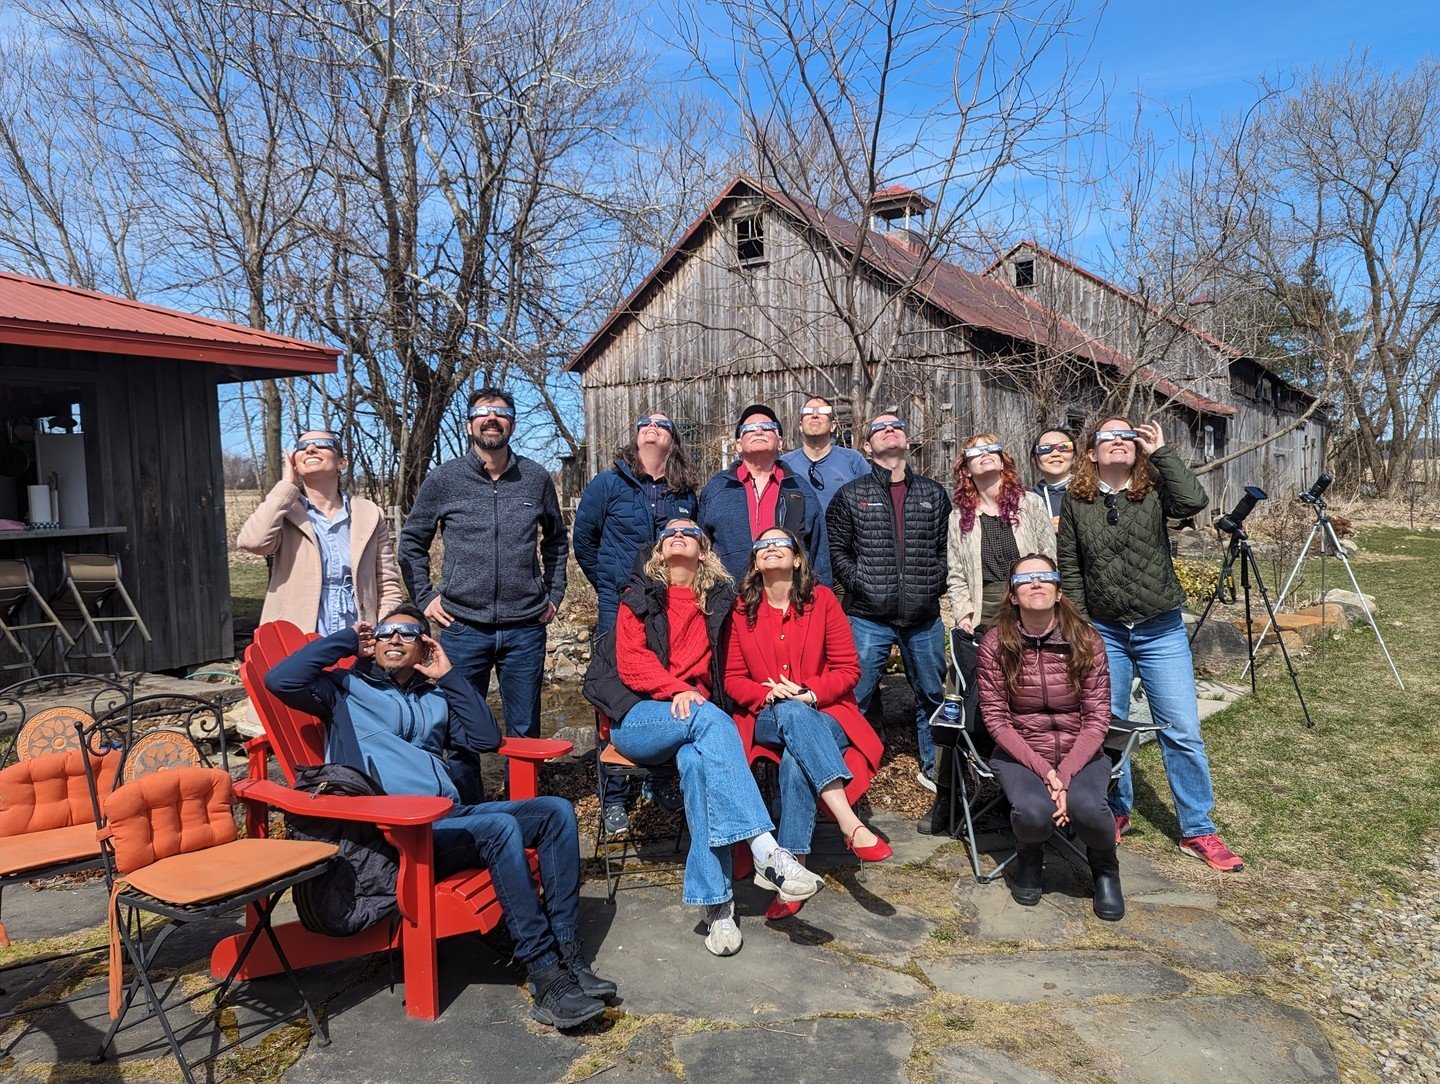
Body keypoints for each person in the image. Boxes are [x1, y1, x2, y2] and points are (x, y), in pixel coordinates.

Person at [265, 602, 615, 1030]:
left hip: (449, 818)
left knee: (555, 812)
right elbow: (279, 680)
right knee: (500, 826)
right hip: (395, 832)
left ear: (423, 646)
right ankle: (545, 976)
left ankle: (567, 954)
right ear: (372, 643)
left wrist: (447, 676)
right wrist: (344, 642)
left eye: (407, 634)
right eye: (386, 631)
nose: (395, 638)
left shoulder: (433, 697)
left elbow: (486, 737)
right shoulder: (342, 690)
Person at [583, 518, 825, 957]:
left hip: (696, 720)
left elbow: (742, 658)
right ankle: (766, 849)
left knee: (697, 764)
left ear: (704, 549)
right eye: (670, 531)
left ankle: (717, 908)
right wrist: (677, 690)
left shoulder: (720, 602)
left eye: (689, 531)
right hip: (639, 719)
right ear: (658, 550)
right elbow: (633, 666)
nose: (679, 534)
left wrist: (773, 686)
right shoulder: (636, 598)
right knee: (711, 719)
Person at [1057, 416, 1242, 872]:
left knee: (1181, 729)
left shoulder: (1154, 490)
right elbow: (1071, 568)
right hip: (1107, 633)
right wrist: (1082, 627)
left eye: (1127, 437)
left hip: (1161, 629)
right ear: (1092, 452)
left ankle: (1198, 828)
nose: (1118, 443)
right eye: (1108, 437)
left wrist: (1161, 452)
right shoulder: (1078, 501)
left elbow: (1193, 501)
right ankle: (1116, 810)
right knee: (1109, 728)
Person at [724, 527, 890, 920]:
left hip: (826, 712)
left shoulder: (823, 602)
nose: (770, 549)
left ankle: (791, 873)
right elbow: (731, 677)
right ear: (755, 562)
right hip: (763, 717)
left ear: (798, 559)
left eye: (779, 543)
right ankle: (850, 825)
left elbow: (849, 669)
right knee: (791, 716)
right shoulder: (741, 608)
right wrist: (767, 695)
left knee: (799, 755)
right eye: (762, 545)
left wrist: (810, 692)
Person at [399, 388, 566, 740]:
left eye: (501, 413)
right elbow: (412, 542)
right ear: (469, 424)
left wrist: (554, 592)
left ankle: (522, 796)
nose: (492, 419)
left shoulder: (535, 478)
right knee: (460, 729)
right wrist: (426, 597)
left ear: (513, 425)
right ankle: (468, 797)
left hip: (525, 626)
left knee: (524, 729)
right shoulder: (444, 479)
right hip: (463, 626)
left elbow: (555, 541)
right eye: (483, 413)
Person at [572, 411, 700, 834]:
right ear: (636, 436)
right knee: (613, 690)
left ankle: (663, 780)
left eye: (663, 424)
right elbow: (584, 541)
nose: (653, 427)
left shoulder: (685, 492)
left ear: (673, 440)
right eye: (645, 422)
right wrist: (612, 583)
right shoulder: (609, 484)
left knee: (666, 680)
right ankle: (614, 797)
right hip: (618, 603)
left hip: (667, 605)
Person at [977, 555, 1122, 919]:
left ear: (1058, 591)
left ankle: (1105, 869)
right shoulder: (995, 645)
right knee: (1032, 811)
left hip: (1081, 751)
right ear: (1012, 595)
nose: (1037, 584)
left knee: (1088, 807)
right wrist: (1046, 773)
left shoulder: (1087, 640)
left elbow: (1097, 718)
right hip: (1022, 752)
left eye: (1046, 577)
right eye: (1027, 580)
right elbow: (996, 721)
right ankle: (1029, 858)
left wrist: (1066, 774)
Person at [825, 411, 951, 800]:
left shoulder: (932, 494)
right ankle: (849, 770)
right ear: (867, 446)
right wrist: (863, 584)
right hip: (868, 616)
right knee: (855, 695)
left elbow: (946, 550)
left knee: (932, 693)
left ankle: (936, 769)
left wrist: (933, 584)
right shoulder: (851, 495)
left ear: (907, 441)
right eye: (879, 428)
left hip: (923, 616)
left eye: (896, 426)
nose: (889, 431)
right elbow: (837, 550)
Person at [237, 429, 405, 634]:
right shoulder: (283, 512)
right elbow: (253, 542)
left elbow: (386, 581)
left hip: (359, 637)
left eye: (322, 444)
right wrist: (286, 486)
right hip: (295, 638)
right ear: (295, 464)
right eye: (301, 447)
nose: (310, 448)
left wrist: (383, 628)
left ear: (342, 463)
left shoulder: (369, 514)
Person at [698, 404, 830, 586]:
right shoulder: (716, 488)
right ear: (738, 444)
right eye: (749, 428)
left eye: (767, 427)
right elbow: (701, 547)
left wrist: (822, 598)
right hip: (730, 603)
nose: (759, 430)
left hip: (790, 601)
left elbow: (819, 552)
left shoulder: (799, 488)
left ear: (780, 442)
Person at [948, 433, 1055, 633]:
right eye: (976, 451)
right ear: (966, 470)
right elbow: (957, 573)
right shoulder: (958, 517)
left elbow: (1049, 558)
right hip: (985, 611)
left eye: (991, 448)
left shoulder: (1031, 504)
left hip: (1030, 605)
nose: (985, 453)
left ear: (1002, 461)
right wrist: (964, 614)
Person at [778, 395, 869, 514]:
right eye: (808, 412)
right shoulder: (784, 465)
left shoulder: (854, 461)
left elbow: (872, 501)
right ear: (800, 426)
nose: (814, 415)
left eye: (822, 411)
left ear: (833, 425)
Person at [1031, 426, 1078, 531]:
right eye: (1045, 448)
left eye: (1064, 447)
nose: (1055, 454)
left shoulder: (1092, 491)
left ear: (1074, 456)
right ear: (1035, 459)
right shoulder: (1028, 500)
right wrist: (1045, 531)